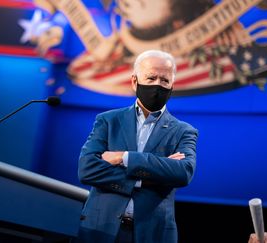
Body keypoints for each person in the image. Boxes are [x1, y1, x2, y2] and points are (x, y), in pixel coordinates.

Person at [77, 50, 199, 243]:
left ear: (172, 86)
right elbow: (87, 169)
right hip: (100, 229)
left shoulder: (184, 131)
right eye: (150, 78)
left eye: (165, 80)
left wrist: (124, 158)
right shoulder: (108, 121)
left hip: (151, 234)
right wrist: (149, 175)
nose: (158, 85)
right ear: (135, 81)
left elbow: (183, 172)